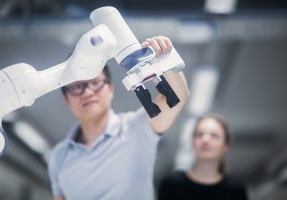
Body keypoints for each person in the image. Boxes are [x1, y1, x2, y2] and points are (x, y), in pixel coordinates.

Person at [48, 36, 189, 200]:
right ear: (66, 99)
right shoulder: (58, 156)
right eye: (76, 87)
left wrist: (164, 59)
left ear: (111, 89)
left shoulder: (136, 128)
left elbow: (178, 97)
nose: (87, 92)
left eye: (95, 82)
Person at [158, 115, 248, 200]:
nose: (205, 140)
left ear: (225, 145)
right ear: (193, 142)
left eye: (214, 135)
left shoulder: (235, 189)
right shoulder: (172, 184)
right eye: (200, 134)